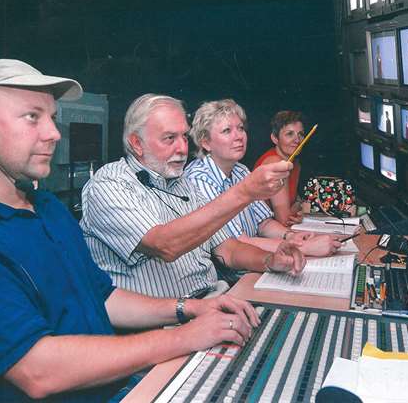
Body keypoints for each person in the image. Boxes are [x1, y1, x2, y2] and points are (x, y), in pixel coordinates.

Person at [0, 60, 260, 401]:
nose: (55, 133)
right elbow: (37, 371)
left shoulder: (48, 208)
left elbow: (103, 296)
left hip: (118, 383)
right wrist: (184, 337)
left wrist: (187, 309)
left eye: (53, 118)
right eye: (32, 117)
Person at [82, 94, 306, 299]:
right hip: (161, 324)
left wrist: (269, 261)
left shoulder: (185, 184)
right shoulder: (110, 182)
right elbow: (165, 244)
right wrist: (245, 191)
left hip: (214, 300)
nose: (182, 148)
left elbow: (228, 249)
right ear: (137, 144)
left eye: (184, 137)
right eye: (170, 138)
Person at [184, 99, 342, 258]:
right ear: (206, 143)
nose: (239, 136)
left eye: (240, 128)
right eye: (227, 130)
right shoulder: (200, 179)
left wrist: (290, 236)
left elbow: (264, 223)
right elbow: (238, 243)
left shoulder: (240, 170)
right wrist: (302, 247)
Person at [255, 111, 306, 226]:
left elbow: (296, 201)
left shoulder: (295, 163)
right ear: (275, 138)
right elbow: (285, 220)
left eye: (301, 134)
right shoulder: (275, 163)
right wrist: (297, 207)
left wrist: (297, 207)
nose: (297, 140)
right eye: (289, 134)